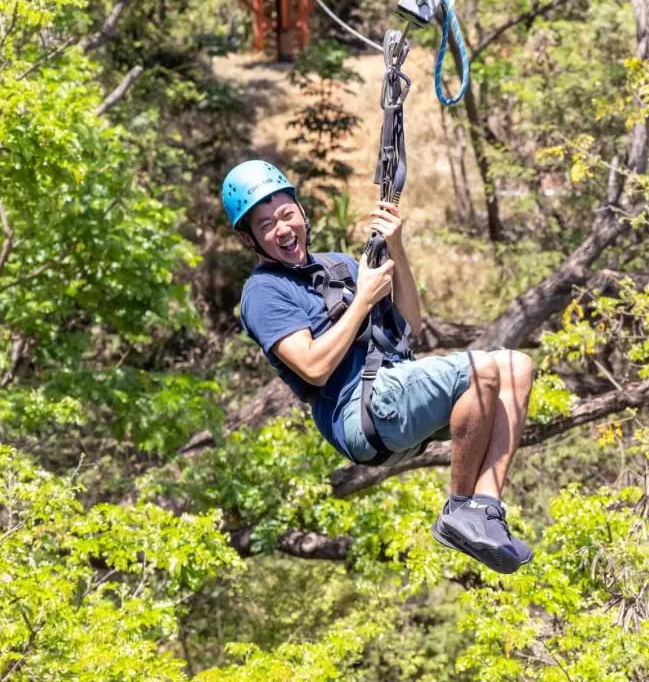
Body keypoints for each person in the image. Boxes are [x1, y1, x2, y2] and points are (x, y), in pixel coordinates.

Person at [224, 160, 534, 574]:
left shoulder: (340, 266)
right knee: (482, 372)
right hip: (361, 412)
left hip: (395, 387)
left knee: (516, 365)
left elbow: (410, 325)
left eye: (286, 214)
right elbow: (313, 367)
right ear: (250, 239)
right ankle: (460, 507)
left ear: (301, 212)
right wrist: (363, 299)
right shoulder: (263, 293)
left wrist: (397, 248)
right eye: (265, 225)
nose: (282, 229)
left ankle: (484, 507)